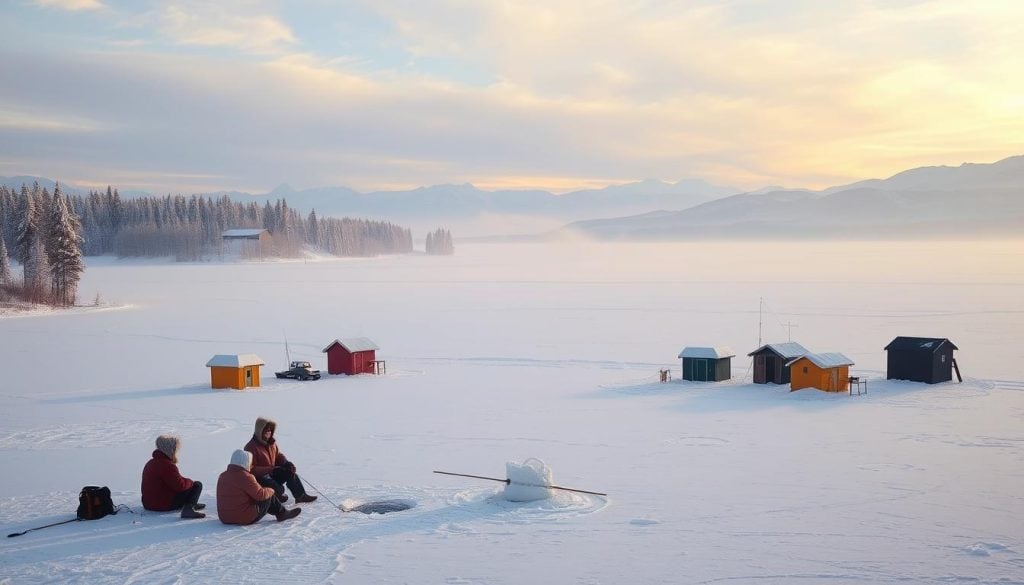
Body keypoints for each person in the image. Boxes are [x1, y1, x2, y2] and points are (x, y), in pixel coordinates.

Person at [216, 449, 301, 524]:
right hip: (244, 518)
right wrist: (271, 490)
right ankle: (282, 513)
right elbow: (260, 495)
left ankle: (280, 511)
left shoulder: (223, 476)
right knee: (268, 495)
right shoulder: (246, 476)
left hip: (225, 518)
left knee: (253, 494)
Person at [245, 417, 317, 504]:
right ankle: (277, 496)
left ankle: (300, 496)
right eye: (266, 430)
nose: (268, 432)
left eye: (270, 430)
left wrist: (286, 463)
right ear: (259, 430)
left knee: (290, 472)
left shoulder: (271, 443)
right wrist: (271, 469)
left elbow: (278, 455)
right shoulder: (250, 447)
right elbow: (251, 469)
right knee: (278, 488)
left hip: (273, 472)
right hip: (260, 479)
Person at [141, 434, 205, 519]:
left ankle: (191, 504)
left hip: (148, 504)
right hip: (162, 505)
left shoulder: (151, 463)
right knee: (197, 485)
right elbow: (180, 486)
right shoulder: (166, 465)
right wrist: (190, 482)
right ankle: (189, 508)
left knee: (186, 485)